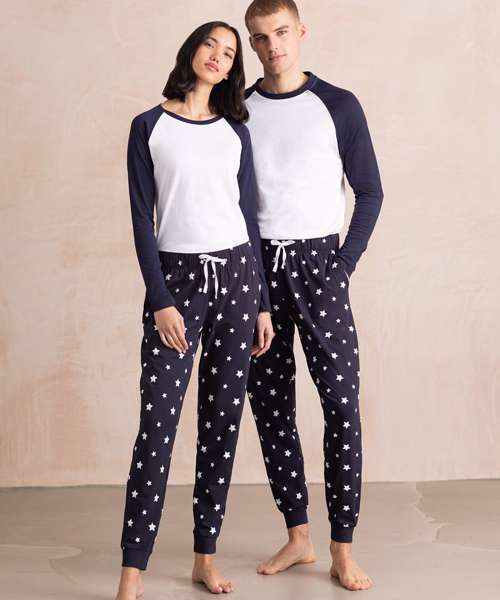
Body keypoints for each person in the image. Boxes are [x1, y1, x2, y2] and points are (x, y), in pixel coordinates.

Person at [115, 21, 274, 599]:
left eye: (230, 53)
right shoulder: (149, 126)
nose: (219, 57)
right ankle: (131, 573)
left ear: (233, 69)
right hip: (177, 282)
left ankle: (205, 557)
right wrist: (160, 298)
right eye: (211, 44)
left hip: (238, 279)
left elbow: (248, 220)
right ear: (192, 50)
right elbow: (142, 218)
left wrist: (261, 304)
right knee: (156, 426)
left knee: (221, 424)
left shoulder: (236, 132)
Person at [243, 0, 384, 591]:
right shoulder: (239, 111)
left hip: (320, 267)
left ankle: (341, 548)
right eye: (260, 37)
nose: (272, 45)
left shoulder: (338, 105)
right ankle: (298, 536)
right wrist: (250, 285)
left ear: (300, 32)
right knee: (271, 407)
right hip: (258, 270)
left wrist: (342, 266)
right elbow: (235, 204)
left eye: (281, 32)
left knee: (341, 407)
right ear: (252, 44)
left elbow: (370, 191)